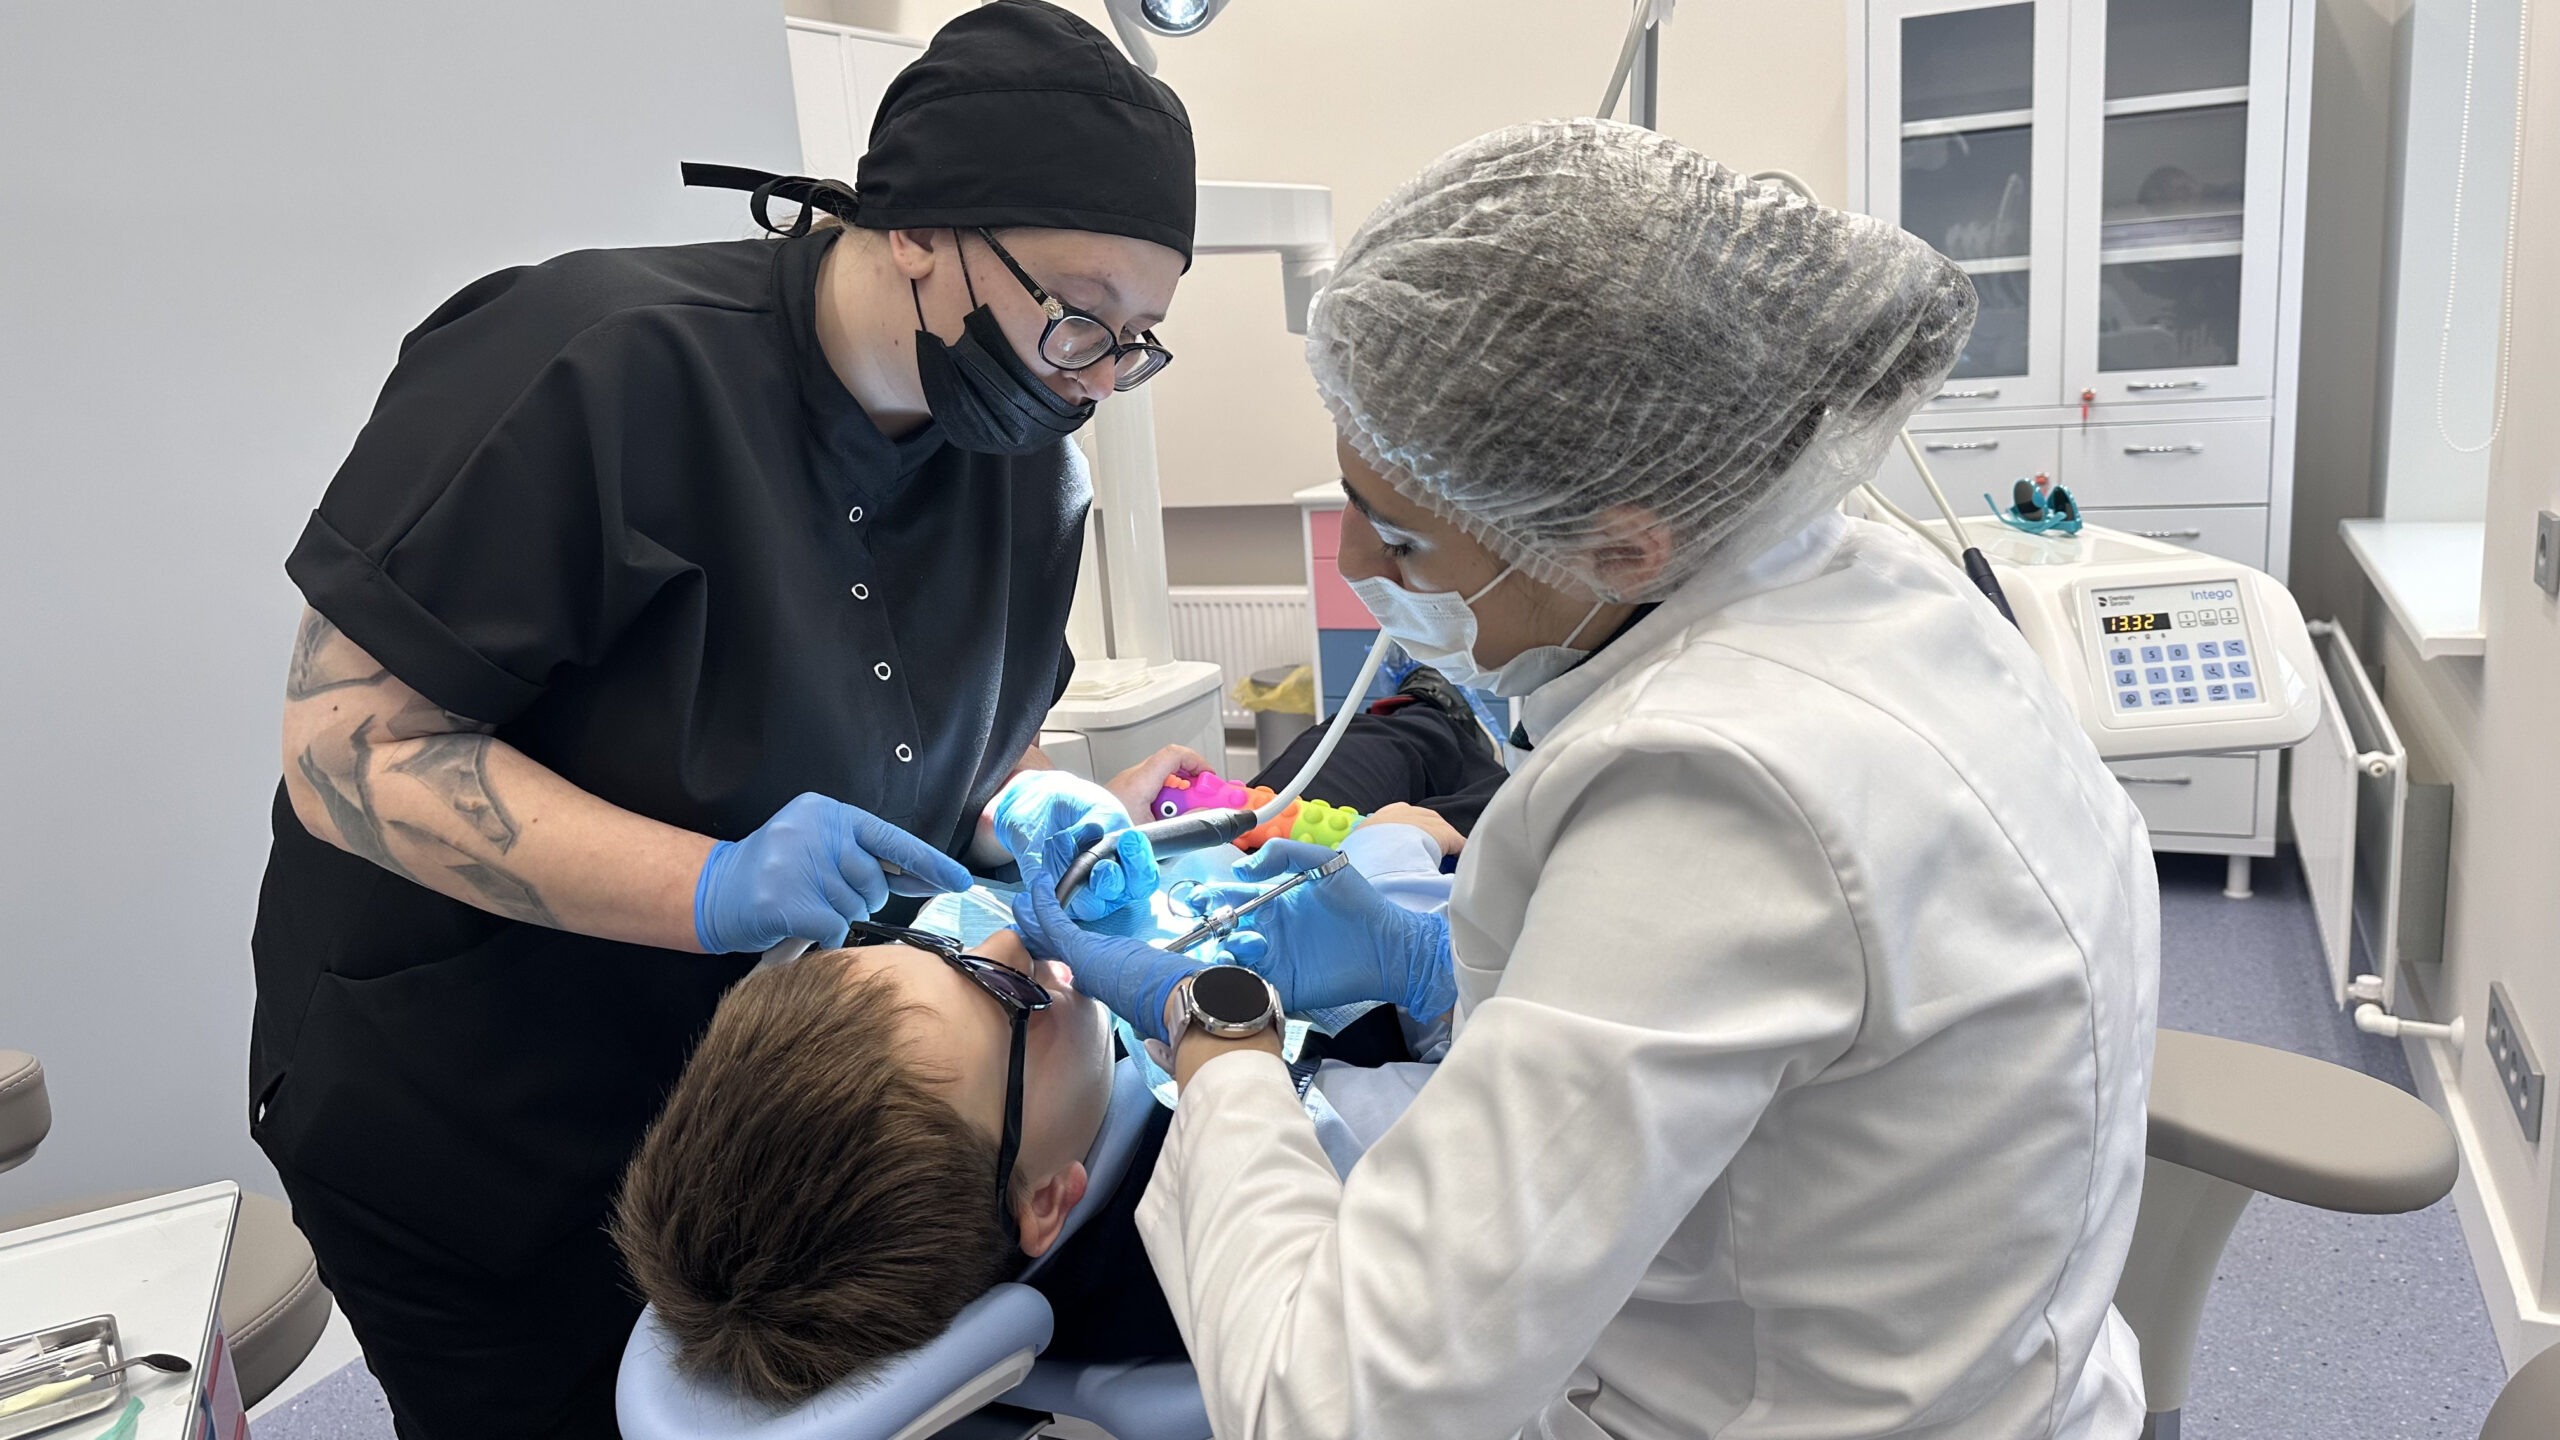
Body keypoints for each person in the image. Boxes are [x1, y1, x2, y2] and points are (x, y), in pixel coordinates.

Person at [1020, 119, 2160, 1440]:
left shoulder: (1723, 787)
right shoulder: (1881, 589)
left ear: (1625, 546)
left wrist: (1212, 1031)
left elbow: (1332, 1406)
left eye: (1400, 537)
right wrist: (1440, 971)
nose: (1357, 569)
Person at [247, 4, 1200, 1434]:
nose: (1095, 377)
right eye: (1076, 312)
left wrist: (1036, 808)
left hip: (788, 1132)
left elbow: (965, 736)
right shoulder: (589, 366)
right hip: (484, 1111)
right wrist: (710, 885)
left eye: (1136, 342)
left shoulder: (1021, 463)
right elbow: (346, 750)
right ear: (916, 227)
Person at [611, 804, 1467, 1404]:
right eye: (1009, 995)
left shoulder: (1013, 1129)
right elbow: (1514, 1096)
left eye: (934, 945)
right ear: (1049, 1199)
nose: (1008, 937)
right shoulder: (1299, 1170)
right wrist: (1426, 948)